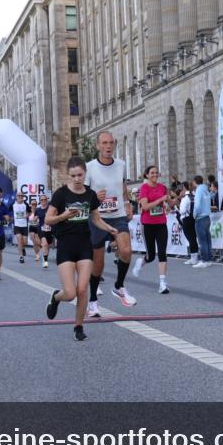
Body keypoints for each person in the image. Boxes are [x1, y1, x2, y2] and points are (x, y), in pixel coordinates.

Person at [45, 156, 120, 341]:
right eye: (73, 176)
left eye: (80, 175)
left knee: (82, 289)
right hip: (65, 245)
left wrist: (109, 228)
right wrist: (63, 215)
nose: (77, 179)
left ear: (85, 174)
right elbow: (48, 219)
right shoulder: (61, 194)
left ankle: (78, 326)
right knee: (70, 293)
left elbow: (95, 218)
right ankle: (56, 297)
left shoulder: (90, 194)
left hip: (84, 244)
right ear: (68, 175)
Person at [85, 131, 137, 316]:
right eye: (104, 143)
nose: (108, 146)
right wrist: (93, 198)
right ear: (98, 145)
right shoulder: (89, 167)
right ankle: (92, 301)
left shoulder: (121, 165)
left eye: (111, 143)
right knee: (98, 264)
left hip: (118, 215)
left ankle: (119, 286)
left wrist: (127, 203)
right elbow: (82, 193)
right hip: (98, 218)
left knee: (126, 250)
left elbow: (122, 186)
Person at [132, 165, 173, 294]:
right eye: (152, 173)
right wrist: (160, 200)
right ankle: (141, 261)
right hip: (148, 224)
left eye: (156, 172)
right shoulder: (144, 188)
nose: (155, 174)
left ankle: (162, 284)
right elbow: (144, 206)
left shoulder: (163, 188)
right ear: (147, 175)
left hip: (161, 223)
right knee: (150, 257)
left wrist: (171, 202)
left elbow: (170, 203)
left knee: (162, 252)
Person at [192, 175, 212, 268]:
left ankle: (204, 260)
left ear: (195, 181)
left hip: (200, 217)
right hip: (207, 216)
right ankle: (208, 259)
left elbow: (197, 204)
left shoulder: (199, 190)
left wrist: (195, 214)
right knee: (207, 239)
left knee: (202, 240)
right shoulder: (206, 189)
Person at [178, 181, 199, 265]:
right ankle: (194, 257)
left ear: (184, 188)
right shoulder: (194, 196)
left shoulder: (185, 198)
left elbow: (182, 211)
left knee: (190, 239)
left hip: (186, 219)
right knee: (193, 238)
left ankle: (194, 258)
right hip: (193, 218)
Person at [32, 193, 53, 268]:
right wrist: (34, 219)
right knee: (44, 244)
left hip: (50, 229)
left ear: (47, 200)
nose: (43, 201)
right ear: (40, 201)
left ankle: (45, 256)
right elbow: (35, 218)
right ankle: (45, 261)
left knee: (48, 245)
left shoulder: (50, 208)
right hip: (41, 228)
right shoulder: (38, 210)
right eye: (42, 200)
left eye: (45, 199)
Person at [12, 192, 30, 264]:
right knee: (19, 240)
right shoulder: (13, 204)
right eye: (18, 196)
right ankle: (21, 257)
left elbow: (30, 212)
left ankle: (23, 248)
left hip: (24, 225)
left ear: (23, 197)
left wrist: (27, 215)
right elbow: (8, 211)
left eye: (21, 196)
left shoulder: (25, 204)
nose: (20, 197)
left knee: (24, 242)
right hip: (17, 225)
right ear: (16, 197)